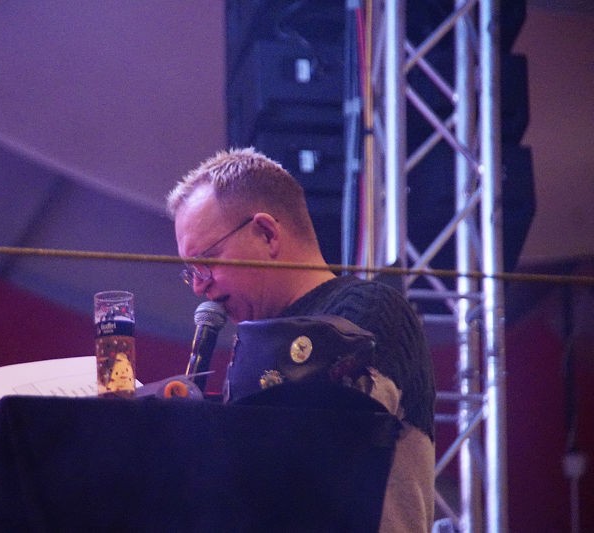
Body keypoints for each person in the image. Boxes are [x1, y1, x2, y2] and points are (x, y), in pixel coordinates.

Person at [166, 147, 436, 532]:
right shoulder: (257, 344)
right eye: (190, 271)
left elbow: (314, 472)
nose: (198, 286)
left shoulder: (368, 308)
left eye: (206, 261)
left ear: (267, 233)